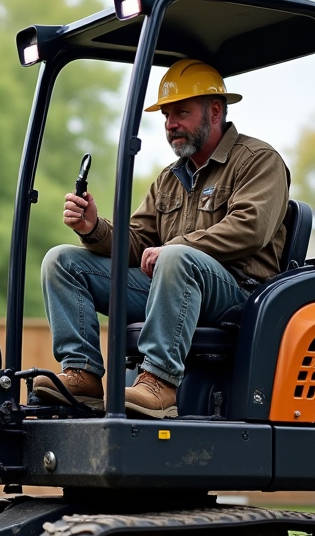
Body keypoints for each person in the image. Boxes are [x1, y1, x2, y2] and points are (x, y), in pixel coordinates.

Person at [33, 59, 290, 418]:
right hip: (173, 284)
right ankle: (82, 375)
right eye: (166, 115)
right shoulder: (169, 179)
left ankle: (158, 382)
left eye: (180, 113)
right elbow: (138, 242)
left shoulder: (258, 161)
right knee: (62, 261)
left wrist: (175, 248)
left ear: (214, 111)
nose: (171, 124)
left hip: (236, 293)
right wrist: (94, 228)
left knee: (175, 258)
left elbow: (251, 227)